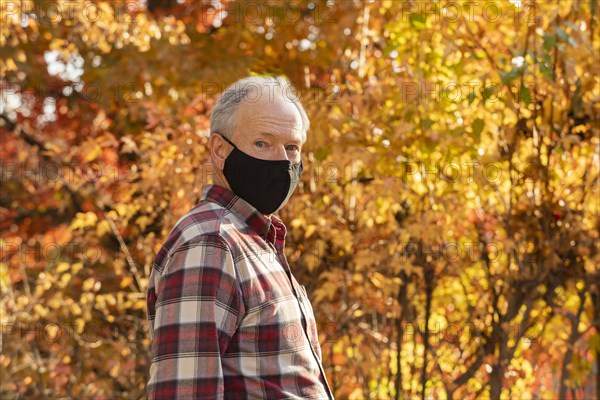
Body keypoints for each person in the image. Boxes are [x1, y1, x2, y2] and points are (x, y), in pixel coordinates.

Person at [146, 76, 334, 399]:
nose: (281, 161)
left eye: (292, 147)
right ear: (219, 150)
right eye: (262, 143)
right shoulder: (210, 244)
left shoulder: (255, 240)